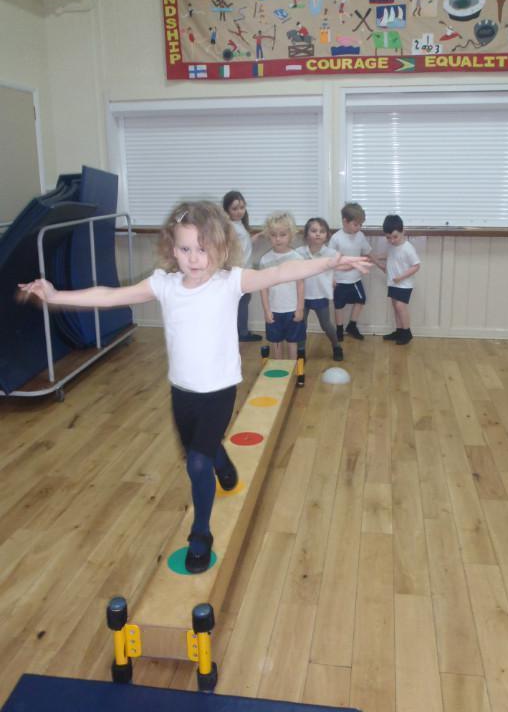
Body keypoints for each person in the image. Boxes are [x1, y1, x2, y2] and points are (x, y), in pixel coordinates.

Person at [19, 201, 371, 574]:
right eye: (185, 248)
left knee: (196, 462)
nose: (194, 258)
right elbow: (109, 296)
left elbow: (283, 271)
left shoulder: (230, 281)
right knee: (200, 450)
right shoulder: (164, 285)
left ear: (221, 248)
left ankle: (200, 532)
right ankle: (223, 462)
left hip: (220, 390)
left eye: (203, 249)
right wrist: (55, 296)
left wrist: (330, 262)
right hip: (182, 392)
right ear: (173, 249)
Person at [329, 202, 381, 341]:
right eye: (356, 224)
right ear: (345, 221)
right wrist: (331, 278)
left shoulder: (360, 236)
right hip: (340, 280)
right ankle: (339, 329)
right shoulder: (336, 238)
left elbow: (368, 252)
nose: (359, 227)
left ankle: (352, 325)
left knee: (361, 300)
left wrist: (380, 265)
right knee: (339, 306)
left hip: (355, 279)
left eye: (360, 225)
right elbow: (330, 261)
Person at [259, 212, 305, 360]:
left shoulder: (297, 258)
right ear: (268, 236)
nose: (278, 239)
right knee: (276, 342)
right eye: (273, 235)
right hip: (274, 311)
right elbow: (263, 288)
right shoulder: (265, 260)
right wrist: (267, 311)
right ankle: (278, 369)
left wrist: (300, 309)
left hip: (292, 309)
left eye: (283, 234)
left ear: (291, 235)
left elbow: (300, 285)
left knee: (292, 342)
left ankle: (292, 370)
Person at [295, 217, 343, 361]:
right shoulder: (298, 253)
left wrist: (334, 278)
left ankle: (336, 346)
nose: (318, 234)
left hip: (320, 295)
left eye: (322, 231)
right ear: (306, 235)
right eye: (314, 231)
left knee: (326, 325)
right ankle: (301, 351)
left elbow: (338, 268)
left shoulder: (331, 253)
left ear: (327, 235)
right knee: (301, 325)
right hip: (302, 296)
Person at [222, 190, 261, 341]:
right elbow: (227, 249)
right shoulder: (229, 227)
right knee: (241, 302)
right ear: (227, 210)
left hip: (243, 270)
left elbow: (242, 245)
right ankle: (241, 333)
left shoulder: (238, 224)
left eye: (242, 207)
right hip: (236, 272)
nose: (239, 211)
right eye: (234, 208)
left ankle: (240, 332)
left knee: (242, 302)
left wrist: (257, 236)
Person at [381, 214, 420, 345]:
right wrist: (374, 257)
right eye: (388, 237)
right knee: (395, 307)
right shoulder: (392, 246)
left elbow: (416, 266)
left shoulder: (408, 248)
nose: (392, 240)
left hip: (404, 284)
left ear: (403, 231)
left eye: (395, 237)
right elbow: (389, 256)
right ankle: (399, 331)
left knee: (400, 307)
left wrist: (401, 277)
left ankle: (407, 332)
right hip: (393, 283)